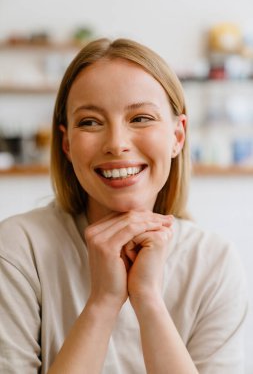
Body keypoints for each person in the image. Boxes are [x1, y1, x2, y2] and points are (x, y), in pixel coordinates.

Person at [0, 38, 248, 374]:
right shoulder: (17, 248)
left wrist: (148, 300)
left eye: (141, 118)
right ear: (67, 143)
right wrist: (102, 303)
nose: (116, 144)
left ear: (177, 136)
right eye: (90, 122)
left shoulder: (214, 263)